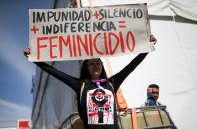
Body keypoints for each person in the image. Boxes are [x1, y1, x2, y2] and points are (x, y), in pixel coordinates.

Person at [24, 35, 156, 129]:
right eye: (91, 63)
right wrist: (34, 58)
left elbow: (131, 66)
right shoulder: (81, 85)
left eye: (98, 63)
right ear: (86, 68)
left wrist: (147, 47)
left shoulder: (112, 83)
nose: (96, 65)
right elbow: (56, 73)